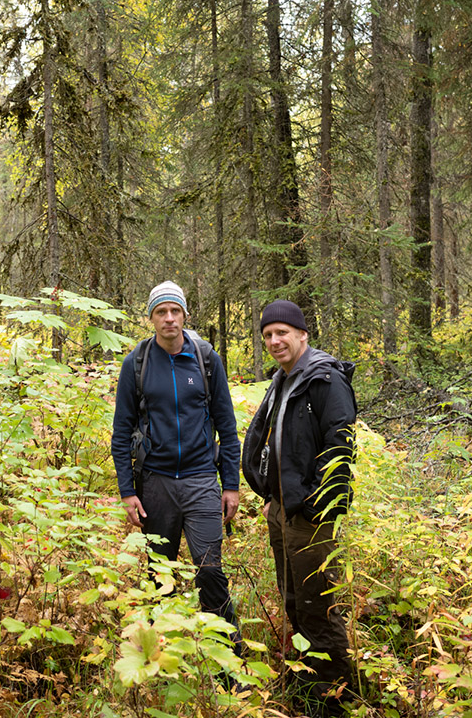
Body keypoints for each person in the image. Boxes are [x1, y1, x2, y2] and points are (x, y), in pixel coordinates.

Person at [110, 281, 243, 644]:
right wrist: (127, 491)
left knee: (210, 571)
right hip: (155, 484)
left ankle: (229, 662)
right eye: (161, 312)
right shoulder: (136, 364)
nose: (169, 319)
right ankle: (162, 658)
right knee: (159, 575)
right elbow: (121, 432)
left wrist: (230, 484)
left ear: (184, 314)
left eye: (175, 311)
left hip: (201, 480)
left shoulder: (206, 360)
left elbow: (228, 428)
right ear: (151, 318)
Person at [241, 299, 357, 716]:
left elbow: (341, 446)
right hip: (281, 508)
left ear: (302, 335)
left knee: (317, 604)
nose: (274, 341)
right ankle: (310, 679)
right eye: (268, 335)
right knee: (293, 600)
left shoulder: (325, 379)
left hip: (310, 516)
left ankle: (338, 697)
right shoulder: (284, 379)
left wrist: (316, 503)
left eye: (282, 333)